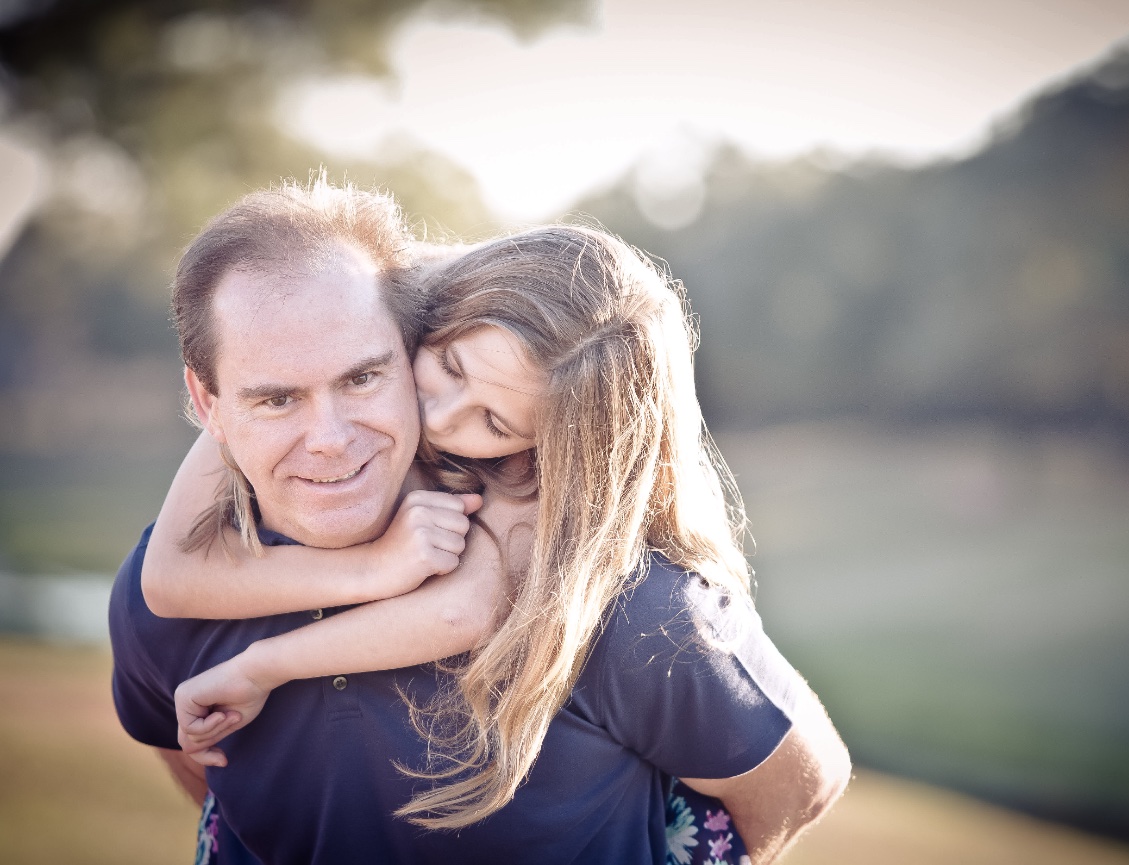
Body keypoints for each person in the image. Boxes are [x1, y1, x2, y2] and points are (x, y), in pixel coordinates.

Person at [111, 179, 850, 864]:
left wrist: (266, 662)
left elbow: (798, 786)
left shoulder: (612, 601)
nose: (332, 436)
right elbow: (202, 751)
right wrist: (371, 570)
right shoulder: (162, 603)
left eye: (363, 377)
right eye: (276, 399)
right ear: (209, 405)